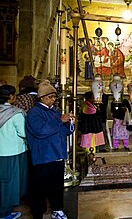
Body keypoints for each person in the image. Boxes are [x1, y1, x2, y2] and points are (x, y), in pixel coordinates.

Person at [26, 80, 75, 219]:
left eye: (55, 97)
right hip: (44, 157)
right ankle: (38, 214)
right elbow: (40, 131)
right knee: (40, 189)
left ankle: (57, 210)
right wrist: (60, 121)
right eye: (51, 97)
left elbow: (64, 131)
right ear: (42, 97)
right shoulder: (34, 113)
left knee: (56, 187)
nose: (54, 100)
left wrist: (70, 124)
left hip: (57, 154)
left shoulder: (55, 111)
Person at [0, 85, 27, 219]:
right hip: (13, 152)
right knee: (10, 183)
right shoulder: (15, 113)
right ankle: (4, 212)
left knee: (2, 181)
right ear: (10, 97)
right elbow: (23, 133)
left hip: (1, 152)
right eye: (14, 95)